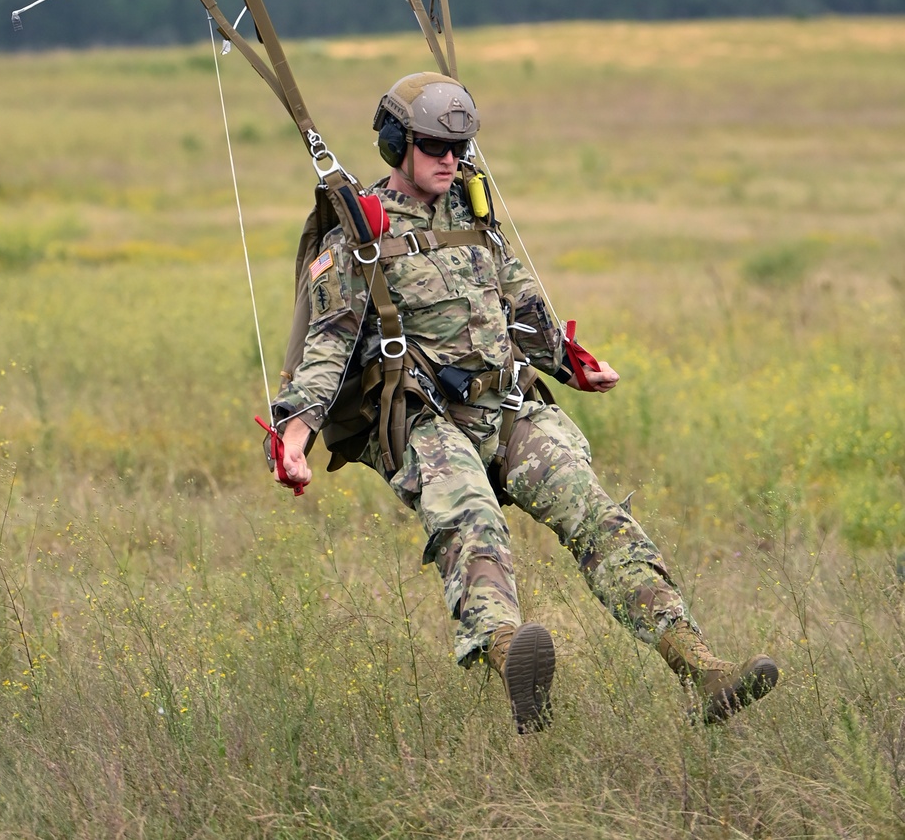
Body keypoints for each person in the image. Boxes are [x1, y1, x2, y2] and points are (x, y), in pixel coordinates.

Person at [271, 72, 779, 732]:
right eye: (432, 146)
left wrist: (571, 363)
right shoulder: (359, 237)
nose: (449, 160)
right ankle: (514, 660)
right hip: (424, 423)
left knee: (596, 513)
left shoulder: (476, 218)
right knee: (471, 522)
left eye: (459, 146)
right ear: (397, 144)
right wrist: (295, 437)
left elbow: (523, 306)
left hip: (507, 409)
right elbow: (326, 348)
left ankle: (701, 670)